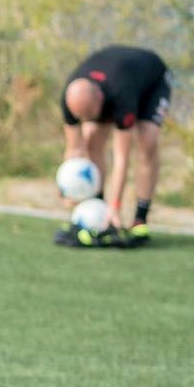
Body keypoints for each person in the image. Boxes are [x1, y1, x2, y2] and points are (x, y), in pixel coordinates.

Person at [56, 45, 169, 248]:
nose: (87, 119)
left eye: (92, 115)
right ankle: (97, 208)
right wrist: (68, 188)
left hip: (150, 83)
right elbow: (74, 149)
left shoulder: (120, 94)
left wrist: (115, 206)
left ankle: (139, 220)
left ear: (100, 100)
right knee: (91, 137)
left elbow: (121, 158)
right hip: (112, 80)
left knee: (147, 141)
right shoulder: (70, 98)